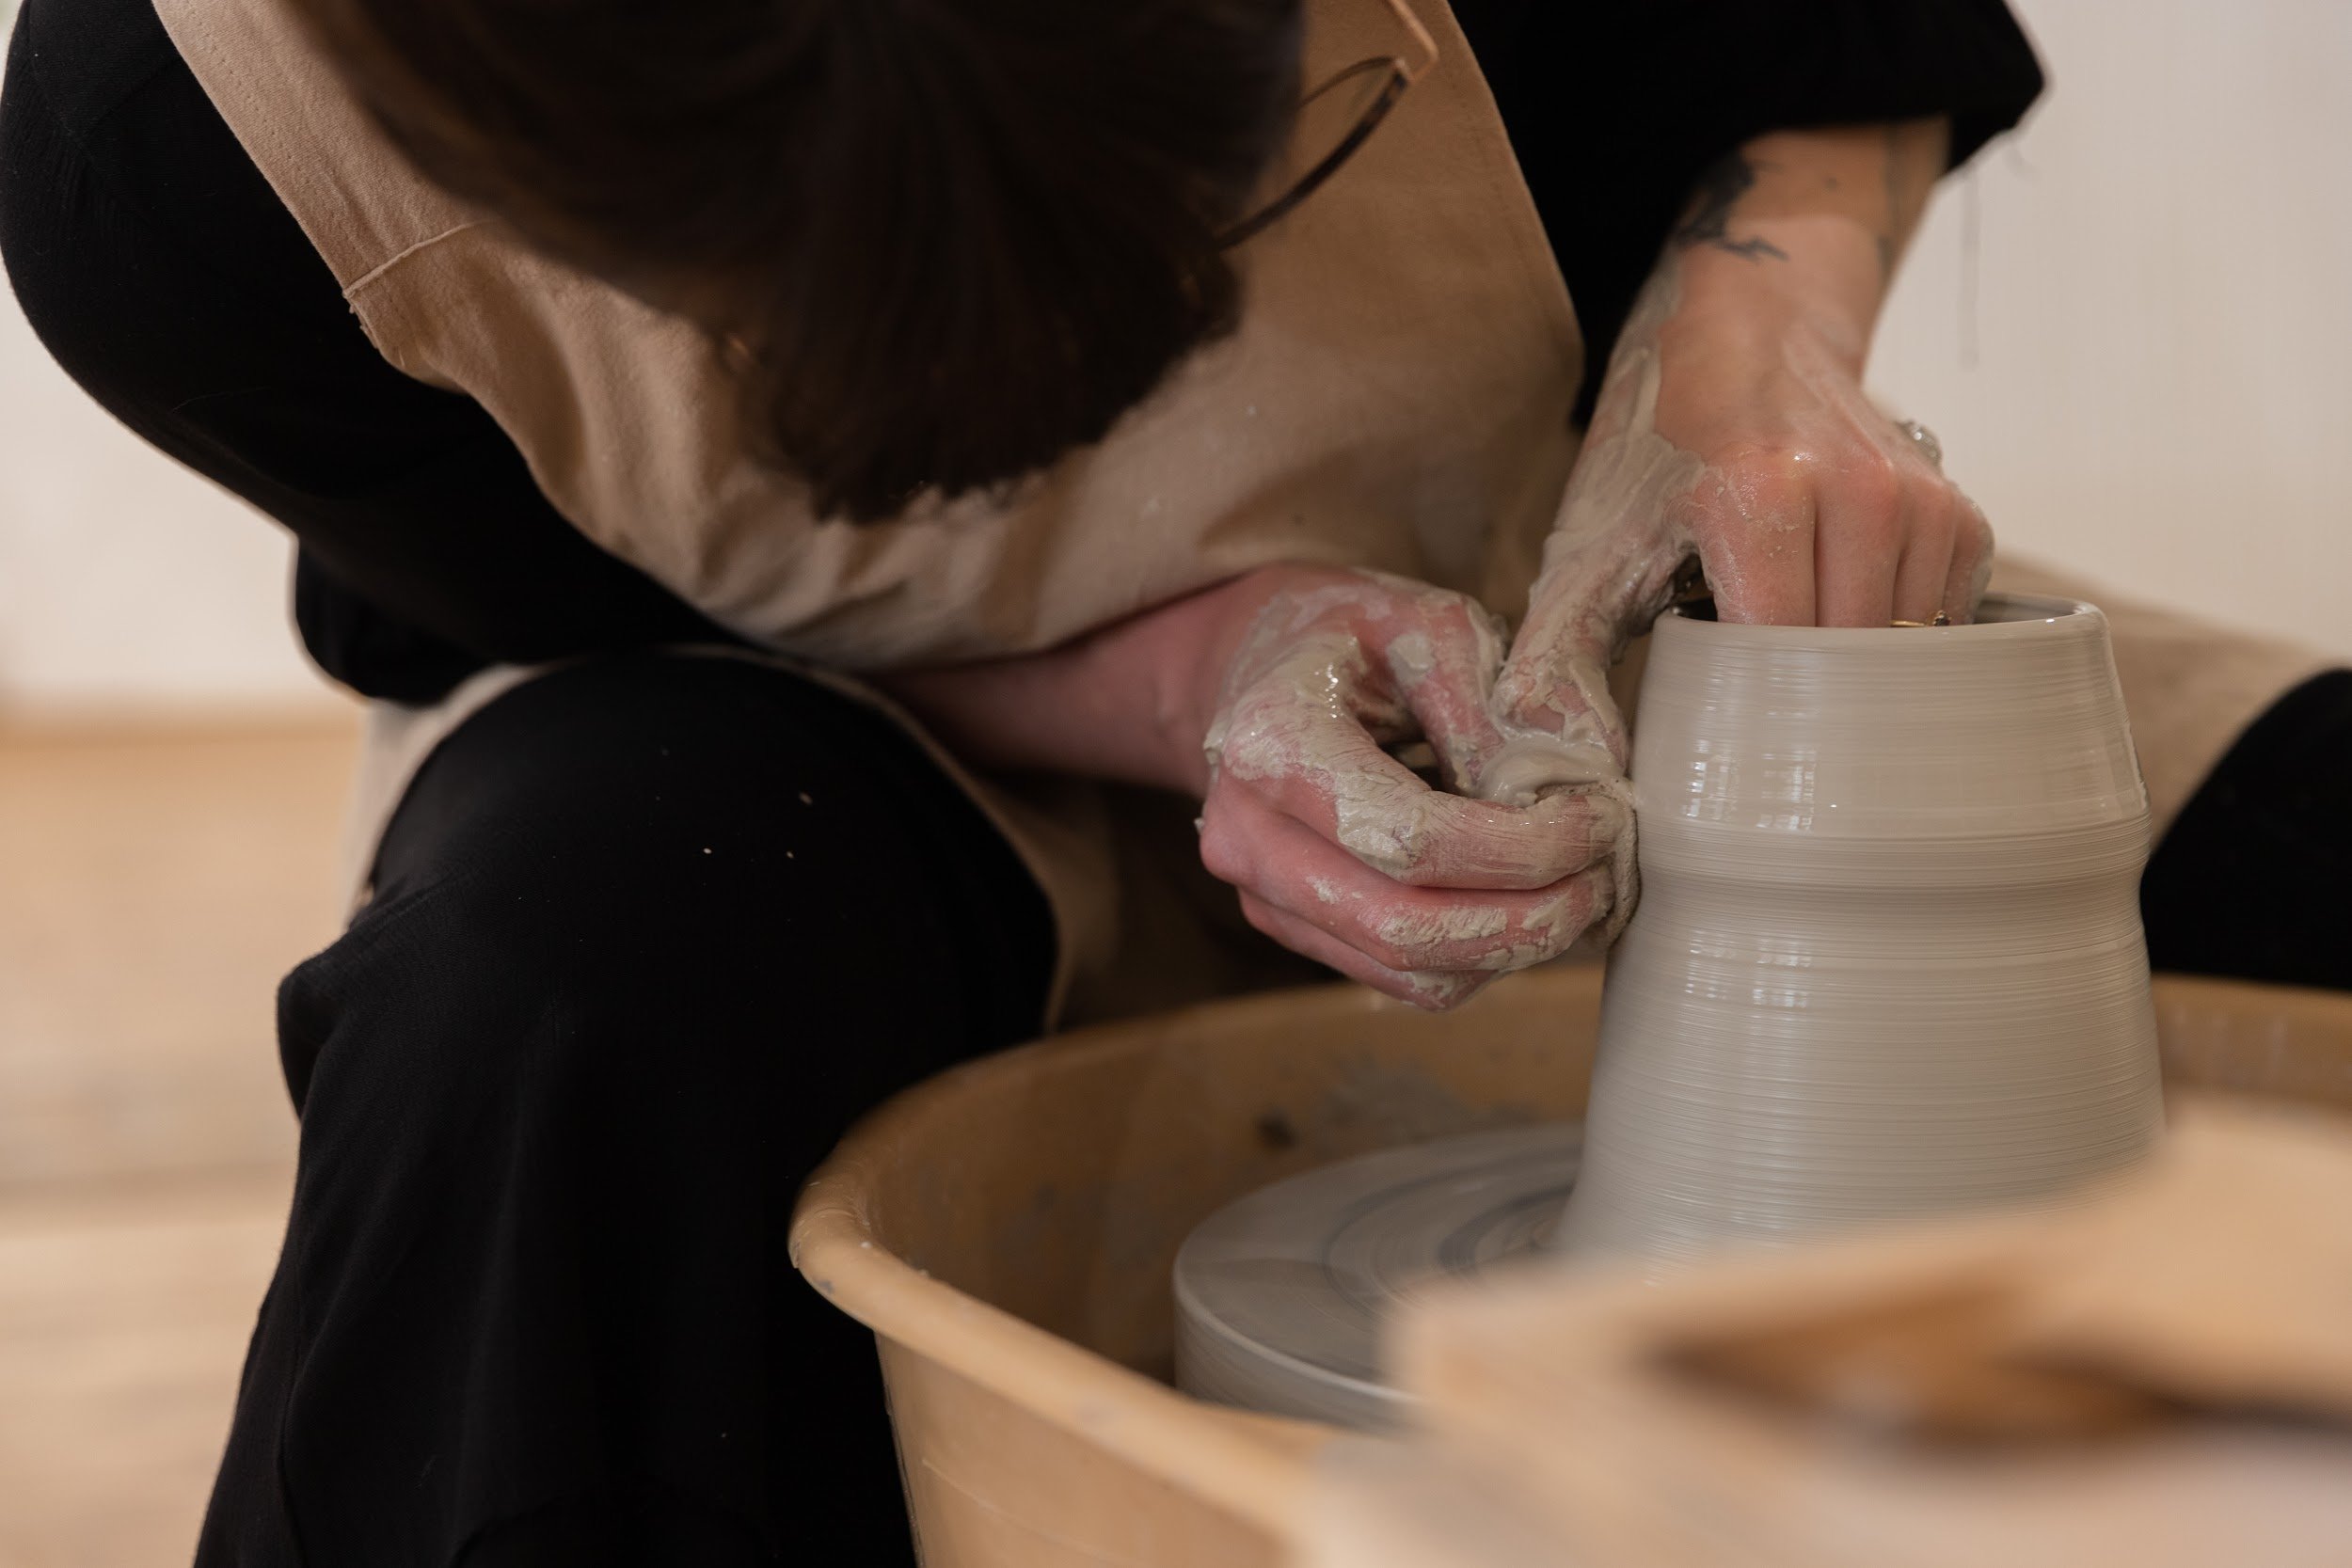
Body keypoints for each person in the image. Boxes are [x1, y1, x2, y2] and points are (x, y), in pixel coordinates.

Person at [1, 0, 2340, 1560]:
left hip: (1581, 593)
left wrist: (1748, 342)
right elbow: (570, 623)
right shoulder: (181, 150)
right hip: (854, 734)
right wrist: (1181, 675)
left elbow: (1821, 26)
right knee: (563, 986)